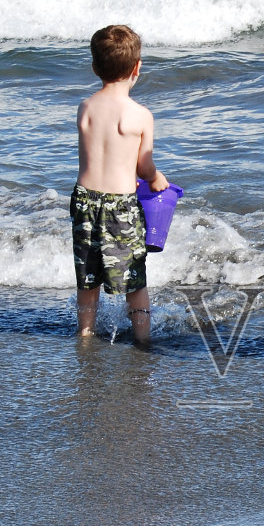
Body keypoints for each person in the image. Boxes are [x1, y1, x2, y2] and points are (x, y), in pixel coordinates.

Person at [70, 23, 169, 347]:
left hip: (84, 201)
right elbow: (143, 164)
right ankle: (142, 337)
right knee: (134, 276)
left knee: (88, 274)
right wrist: (155, 179)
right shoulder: (139, 115)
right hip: (120, 205)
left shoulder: (86, 108)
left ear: (94, 67)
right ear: (137, 68)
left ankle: (86, 332)